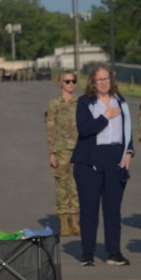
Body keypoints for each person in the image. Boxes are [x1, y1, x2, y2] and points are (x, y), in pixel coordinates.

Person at [71, 64, 133, 267]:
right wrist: (105, 117)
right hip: (89, 160)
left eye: (107, 78)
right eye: (100, 79)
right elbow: (84, 129)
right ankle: (88, 252)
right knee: (89, 209)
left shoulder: (121, 102)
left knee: (113, 209)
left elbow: (128, 130)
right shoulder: (85, 102)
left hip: (115, 158)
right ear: (93, 82)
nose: (104, 82)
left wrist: (129, 153)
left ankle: (114, 252)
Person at [45, 70, 80, 237]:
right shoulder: (54, 104)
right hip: (61, 150)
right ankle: (64, 224)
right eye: (67, 81)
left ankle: (75, 222)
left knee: (77, 187)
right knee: (62, 187)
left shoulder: (81, 103)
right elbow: (50, 129)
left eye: (73, 81)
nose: (71, 84)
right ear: (60, 84)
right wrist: (51, 152)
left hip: (79, 151)